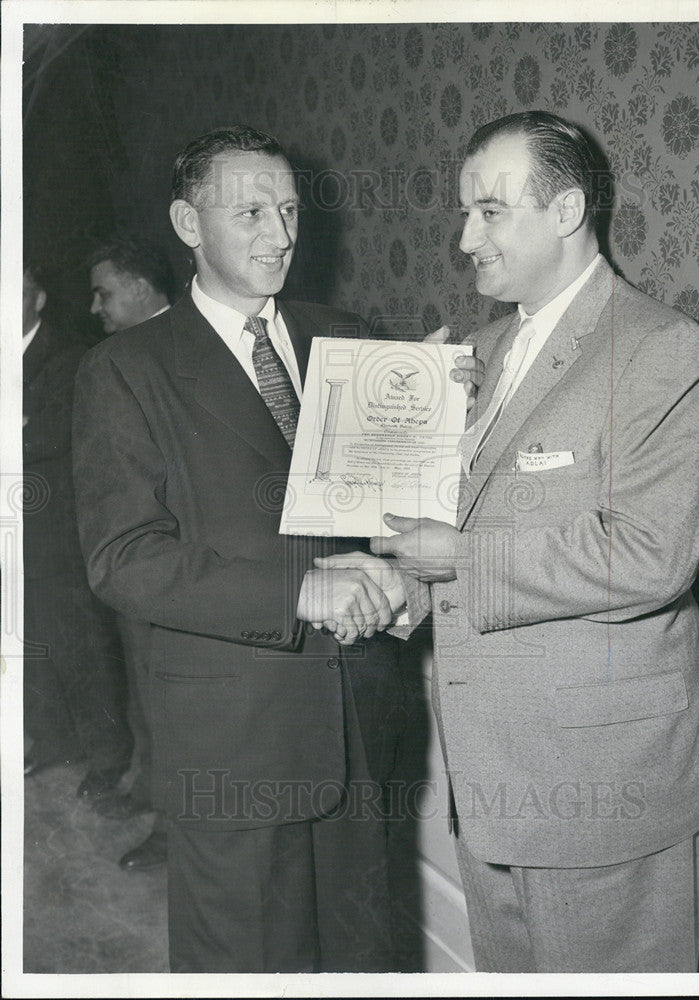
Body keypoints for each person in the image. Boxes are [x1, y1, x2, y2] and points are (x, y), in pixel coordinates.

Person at [320, 111, 699, 973]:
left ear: (568, 210)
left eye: (490, 210)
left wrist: (453, 558)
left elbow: (651, 555)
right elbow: (462, 535)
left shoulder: (664, 350)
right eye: (466, 211)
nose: (466, 236)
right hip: (489, 779)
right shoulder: (481, 353)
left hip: (604, 790)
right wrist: (392, 586)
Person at [71, 125, 479, 973]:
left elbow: (380, 514)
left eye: (289, 210)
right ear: (189, 224)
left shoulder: (345, 334)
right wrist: (300, 590)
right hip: (234, 743)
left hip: (362, 722)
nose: (281, 233)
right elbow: (125, 560)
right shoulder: (125, 370)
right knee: (251, 965)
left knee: (362, 960)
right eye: (251, 211)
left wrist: (439, 425)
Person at [23, 263, 133, 798]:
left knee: (82, 648)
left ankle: (108, 759)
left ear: (38, 298)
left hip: (60, 535)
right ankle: (52, 741)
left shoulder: (67, 356)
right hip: (16, 535)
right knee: (33, 646)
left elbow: (40, 436)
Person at [85, 235, 176, 874]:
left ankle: (177, 828)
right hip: (132, 558)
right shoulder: (118, 354)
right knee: (144, 691)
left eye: (105, 292)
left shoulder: (185, 345)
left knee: (172, 702)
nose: (95, 307)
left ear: (142, 289)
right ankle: (148, 789)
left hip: (176, 563)